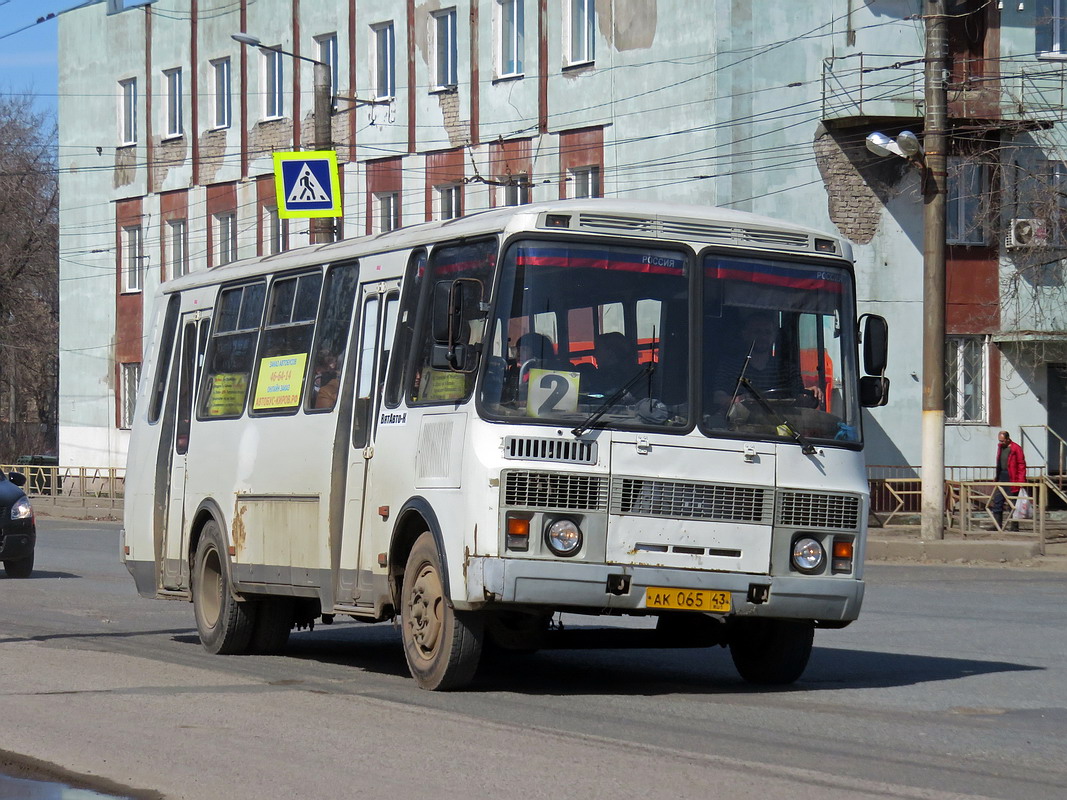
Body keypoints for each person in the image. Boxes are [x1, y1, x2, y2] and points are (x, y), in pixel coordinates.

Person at [712, 310, 805, 411]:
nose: (763, 337)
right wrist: (740, 400)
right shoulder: (729, 366)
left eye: (767, 332)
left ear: (774, 337)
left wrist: (810, 394)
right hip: (739, 423)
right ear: (745, 334)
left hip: (782, 423)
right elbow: (718, 398)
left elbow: (800, 398)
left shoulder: (787, 369)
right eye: (757, 332)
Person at [988, 430, 1026, 531]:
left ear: (1008, 439)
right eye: (1000, 441)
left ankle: (1014, 526)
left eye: (1002, 441)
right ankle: (997, 524)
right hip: (1002, 476)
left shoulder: (1015, 448)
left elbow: (1021, 465)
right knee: (998, 500)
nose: (1001, 443)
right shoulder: (1001, 447)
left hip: (1012, 477)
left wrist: (1021, 481)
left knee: (1012, 502)